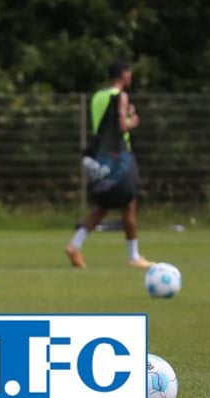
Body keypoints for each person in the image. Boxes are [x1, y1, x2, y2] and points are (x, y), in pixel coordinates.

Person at [65, 62, 153, 269]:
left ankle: (74, 245)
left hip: (100, 157)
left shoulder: (97, 97)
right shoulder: (121, 96)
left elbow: (103, 124)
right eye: (129, 72)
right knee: (130, 203)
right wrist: (133, 120)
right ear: (124, 74)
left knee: (103, 206)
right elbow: (122, 126)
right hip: (120, 156)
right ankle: (134, 255)